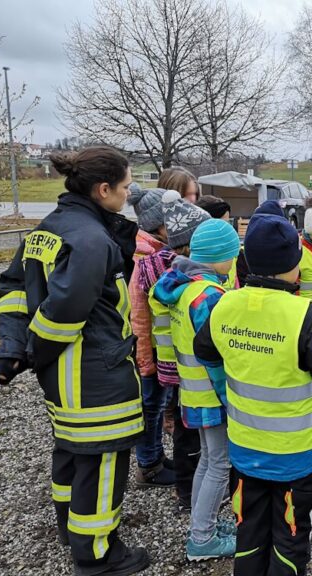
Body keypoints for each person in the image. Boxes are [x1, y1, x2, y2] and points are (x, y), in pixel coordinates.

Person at [0, 147, 149, 575]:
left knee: (70, 450)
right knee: (102, 459)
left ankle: (70, 529)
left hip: (62, 377)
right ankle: (97, 553)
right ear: (103, 190)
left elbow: (13, 289)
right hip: (93, 373)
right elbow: (65, 312)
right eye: (125, 186)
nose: (128, 193)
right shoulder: (90, 239)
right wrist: (31, 350)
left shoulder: (48, 228)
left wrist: (12, 346)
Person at [193, 202, 312, 576]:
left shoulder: (224, 305)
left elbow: (206, 352)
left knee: (248, 531)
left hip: (246, 450)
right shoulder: (305, 314)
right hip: (296, 457)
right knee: (291, 537)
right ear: (292, 264)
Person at [154, 218, 241, 560]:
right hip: (212, 393)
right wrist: (231, 397)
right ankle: (202, 540)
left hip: (191, 390)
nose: (234, 263)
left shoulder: (181, 286)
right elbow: (217, 354)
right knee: (220, 464)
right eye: (232, 256)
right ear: (219, 257)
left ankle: (201, 526)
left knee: (208, 460)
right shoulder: (208, 296)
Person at [141, 193, 212, 513]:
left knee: (186, 432)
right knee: (193, 437)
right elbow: (141, 318)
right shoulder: (193, 281)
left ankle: (189, 489)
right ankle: (191, 492)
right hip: (192, 370)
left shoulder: (169, 274)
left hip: (175, 366)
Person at [127, 184, 176, 488]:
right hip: (149, 350)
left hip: (156, 348)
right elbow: (140, 317)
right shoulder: (144, 258)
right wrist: (146, 359)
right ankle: (149, 465)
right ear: (159, 224)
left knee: (156, 405)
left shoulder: (154, 250)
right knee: (151, 406)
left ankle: (155, 456)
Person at [196, 195, 248, 289]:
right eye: (221, 224)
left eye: (228, 223)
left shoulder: (237, 254)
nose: (227, 228)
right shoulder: (193, 254)